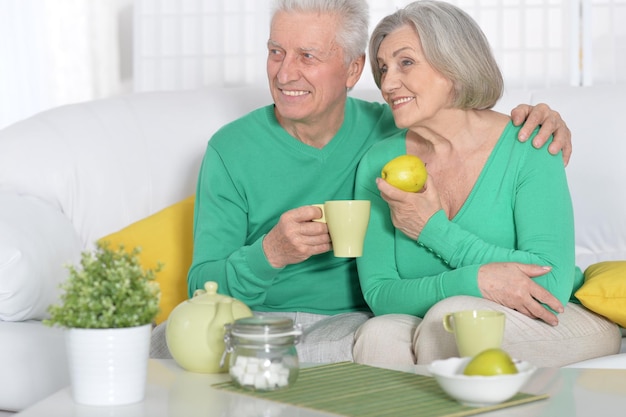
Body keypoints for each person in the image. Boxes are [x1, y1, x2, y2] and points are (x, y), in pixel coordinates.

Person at [150, 0, 574, 363]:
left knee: (389, 341)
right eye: (275, 52)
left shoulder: (396, 130)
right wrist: (270, 252)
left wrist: (544, 122)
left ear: (353, 70)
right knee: (167, 343)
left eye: (308, 56)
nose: (284, 74)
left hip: (351, 323)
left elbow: (459, 119)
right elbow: (200, 286)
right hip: (252, 317)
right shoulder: (231, 149)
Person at [352, 0, 621, 367]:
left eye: (406, 62)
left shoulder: (531, 144)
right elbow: (380, 293)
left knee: (453, 321)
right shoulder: (379, 164)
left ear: (456, 67)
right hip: (443, 313)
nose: (387, 83)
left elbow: (551, 282)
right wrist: (475, 281)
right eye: (383, 68)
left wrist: (434, 231)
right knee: (377, 336)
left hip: (558, 316)